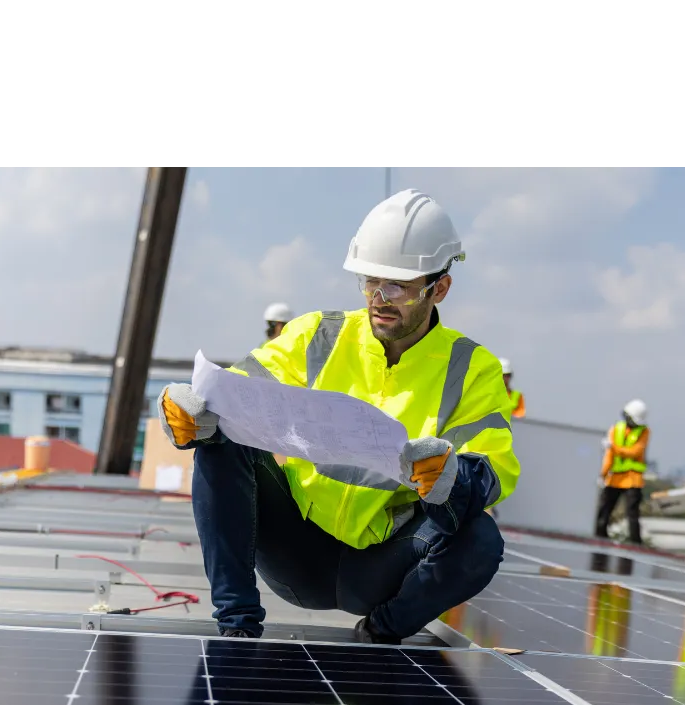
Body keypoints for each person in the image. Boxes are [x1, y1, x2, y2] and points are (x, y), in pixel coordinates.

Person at [157, 189, 520, 643]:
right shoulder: (317, 336)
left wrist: (453, 476)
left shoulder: (471, 368)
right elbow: (231, 396)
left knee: (481, 539)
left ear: (439, 287)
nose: (379, 298)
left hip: (383, 566)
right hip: (297, 550)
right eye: (371, 282)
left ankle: (380, 632)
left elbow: (493, 465)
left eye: (398, 287)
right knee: (221, 441)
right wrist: (189, 412)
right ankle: (237, 624)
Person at [594, 398, 649, 544]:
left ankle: (635, 544)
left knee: (632, 515)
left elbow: (635, 452)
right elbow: (609, 457)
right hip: (615, 478)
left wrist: (613, 447)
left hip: (633, 479)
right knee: (604, 510)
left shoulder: (643, 432)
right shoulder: (616, 430)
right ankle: (600, 538)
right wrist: (603, 475)